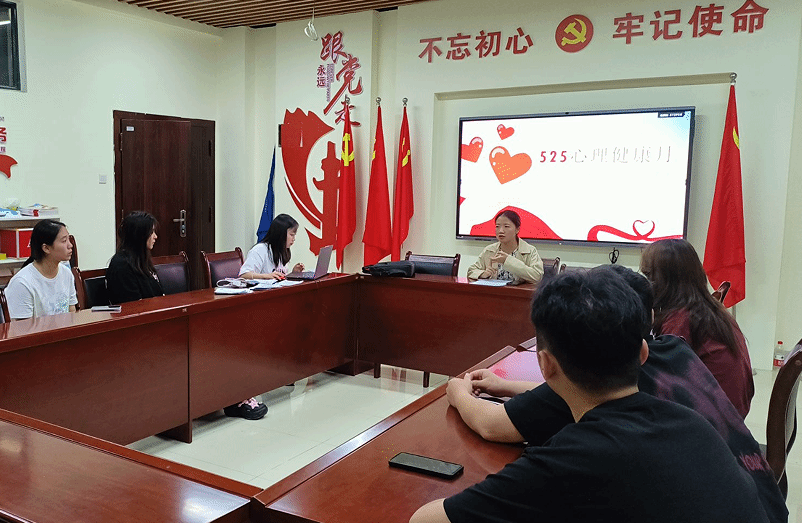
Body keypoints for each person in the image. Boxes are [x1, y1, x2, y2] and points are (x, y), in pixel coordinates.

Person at [410, 268, 770, 523]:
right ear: (642, 352)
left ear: (545, 365)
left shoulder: (575, 460)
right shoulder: (688, 422)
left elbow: (425, 519)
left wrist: (457, 391)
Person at [640, 238, 754, 417]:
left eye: (648, 276)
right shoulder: (709, 308)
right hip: (731, 416)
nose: (646, 284)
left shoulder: (680, 320)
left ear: (663, 281)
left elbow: (662, 381)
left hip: (713, 422)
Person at [5, 219, 77, 320]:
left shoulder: (66, 273)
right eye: (64, 241)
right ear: (46, 248)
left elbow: (71, 312)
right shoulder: (22, 282)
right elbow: (22, 327)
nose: (70, 245)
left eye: (69, 239)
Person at [466, 209, 543, 284]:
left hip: (519, 292)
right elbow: (471, 271)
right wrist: (483, 274)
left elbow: (537, 276)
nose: (501, 231)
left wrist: (508, 260)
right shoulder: (490, 250)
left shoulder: (529, 250)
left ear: (517, 229)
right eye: (497, 226)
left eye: (506, 226)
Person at [105, 211, 165, 304]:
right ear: (140, 235)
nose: (155, 236)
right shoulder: (121, 266)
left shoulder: (140, 260)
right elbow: (133, 305)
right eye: (151, 232)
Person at [239, 213, 304, 280]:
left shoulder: (282, 251)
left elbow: (280, 278)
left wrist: (293, 274)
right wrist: (266, 276)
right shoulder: (260, 250)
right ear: (281, 234)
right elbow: (244, 275)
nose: (294, 239)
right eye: (292, 235)